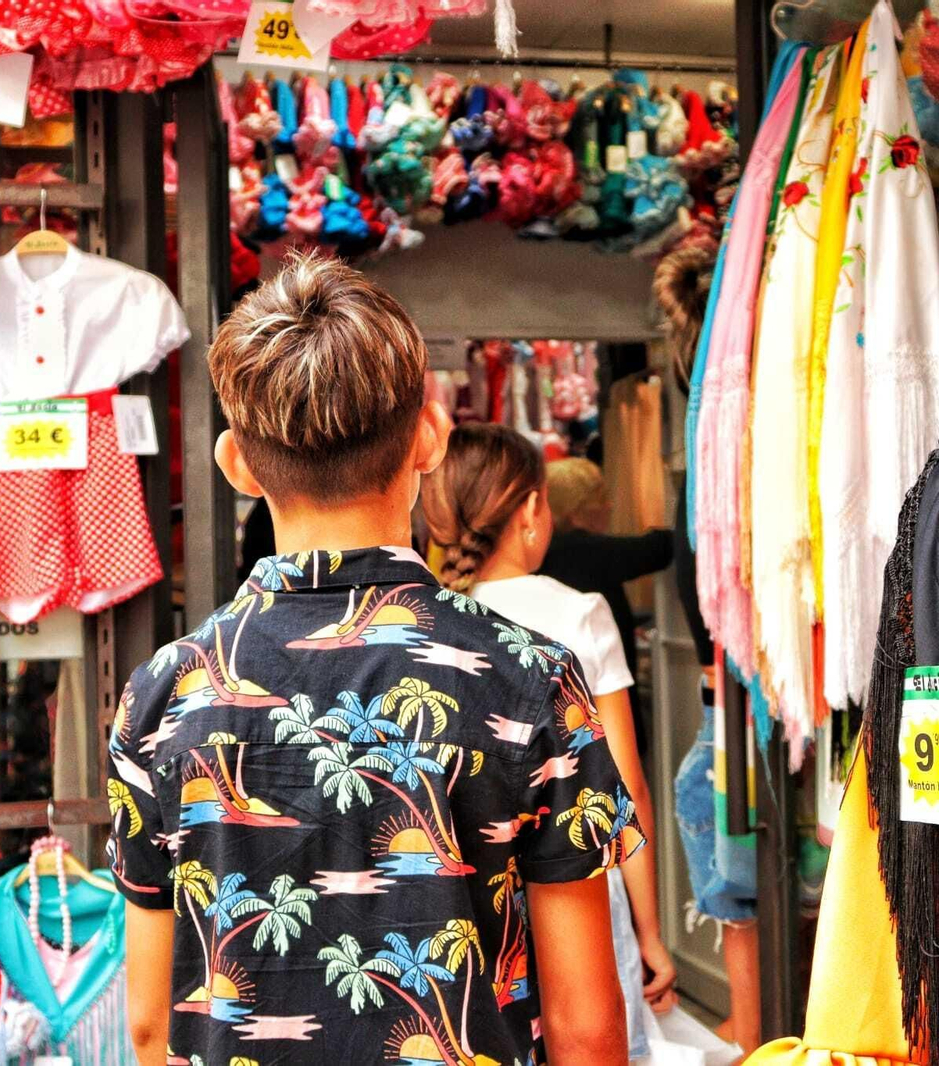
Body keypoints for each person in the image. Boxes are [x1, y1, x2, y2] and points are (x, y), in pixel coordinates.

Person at [109, 253, 634, 1066]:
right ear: (429, 437)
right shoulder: (533, 678)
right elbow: (585, 1027)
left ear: (235, 465)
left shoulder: (163, 695)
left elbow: (149, 1026)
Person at [424, 424, 704, 1064]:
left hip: (465, 895)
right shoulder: (579, 616)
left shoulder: (429, 619)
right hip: (575, 887)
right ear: (529, 510)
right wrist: (652, 934)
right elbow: (623, 792)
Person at [537, 457, 674, 752]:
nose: (609, 506)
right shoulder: (583, 549)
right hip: (603, 703)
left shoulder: (544, 554)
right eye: (600, 499)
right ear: (576, 512)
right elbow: (658, 549)